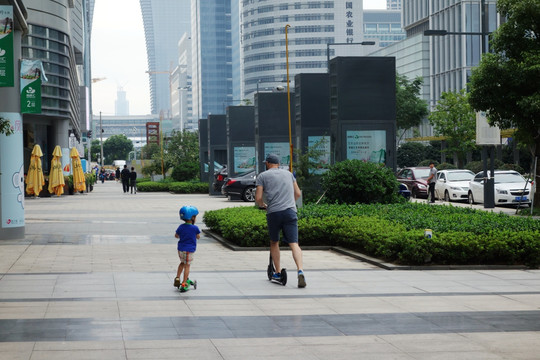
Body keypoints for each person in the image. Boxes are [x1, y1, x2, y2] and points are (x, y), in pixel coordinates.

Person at [255, 154, 306, 288]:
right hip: (290, 211)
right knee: (294, 243)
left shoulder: (262, 176)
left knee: (274, 242)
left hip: (274, 212)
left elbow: (258, 197)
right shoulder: (289, 174)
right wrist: (290, 203)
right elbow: (298, 193)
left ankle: (277, 272)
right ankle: (300, 270)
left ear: (267, 163)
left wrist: (263, 205)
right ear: (278, 163)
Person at [174, 205, 201, 292]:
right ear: (192, 217)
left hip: (180, 249)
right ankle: (184, 282)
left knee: (182, 263)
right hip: (189, 250)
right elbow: (198, 237)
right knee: (187, 266)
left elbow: (176, 235)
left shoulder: (181, 227)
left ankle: (177, 277)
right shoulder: (195, 228)